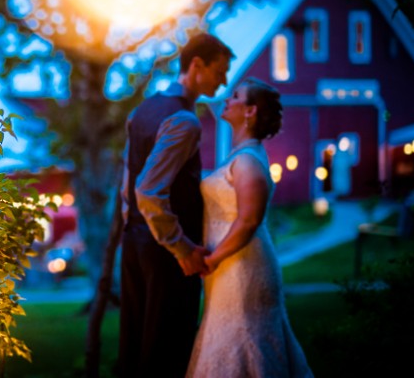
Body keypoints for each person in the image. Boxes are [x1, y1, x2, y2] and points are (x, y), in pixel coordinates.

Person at [117, 32, 234, 378]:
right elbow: (148, 191)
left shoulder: (142, 111)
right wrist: (182, 248)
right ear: (196, 65)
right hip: (165, 256)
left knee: (135, 344)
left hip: (135, 243)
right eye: (220, 71)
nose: (224, 80)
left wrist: (133, 227)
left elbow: (126, 186)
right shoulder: (184, 121)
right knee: (166, 350)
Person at [186, 77, 313, 378]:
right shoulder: (238, 157)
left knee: (243, 338)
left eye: (235, 96)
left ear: (250, 111)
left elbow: (248, 221)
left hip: (242, 267)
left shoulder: (249, 163)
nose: (227, 100)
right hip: (227, 266)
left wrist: (212, 259)